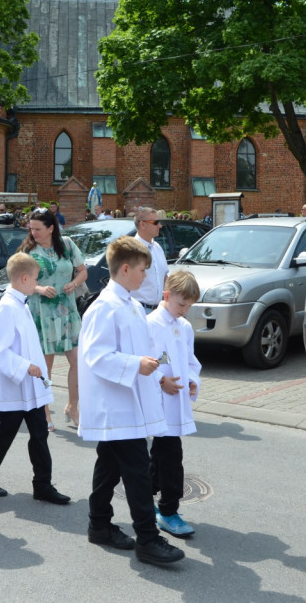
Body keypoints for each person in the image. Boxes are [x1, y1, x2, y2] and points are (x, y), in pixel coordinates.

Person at [78, 236, 184, 566]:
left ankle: (99, 525)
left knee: (108, 466)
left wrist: (157, 373)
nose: (146, 277)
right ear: (125, 269)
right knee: (137, 470)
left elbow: (141, 349)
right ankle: (148, 540)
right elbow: (96, 355)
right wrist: (135, 365)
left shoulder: (132, 304)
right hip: (116, 403)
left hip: (129, 398)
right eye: (142, 270)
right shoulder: (105, 307)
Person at [0, 252, 70, 504]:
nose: (37, 283)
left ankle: (42, 485)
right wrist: (26, 366)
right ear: (24, 278)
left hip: (29, 385)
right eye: (35, 278)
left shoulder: (20, 303)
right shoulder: (7, 308)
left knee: (39, 433)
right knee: (6, 430)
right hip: (17, 384)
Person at [20, 208, 87, 430]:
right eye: (31, 228)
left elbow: (82, 271)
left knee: (78, 362)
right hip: (42, 313)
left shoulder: (66, 244)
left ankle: (72, 406)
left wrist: (74, 283)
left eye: (38, 229)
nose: (33, 232)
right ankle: (45, 411)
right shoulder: (28, 250)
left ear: (51, 228)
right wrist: (38, 288)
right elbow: (21, 281)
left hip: (67, 311)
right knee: (45, 366)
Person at [147, 270, 202, 538]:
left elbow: (191, 361)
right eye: (181, 304)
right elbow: (142, 360)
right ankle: (168, 511)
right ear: (166, 296)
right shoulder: (151, 324)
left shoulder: (185, 326)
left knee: (161, 453)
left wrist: (192, 380)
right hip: (159, 400)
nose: (185, 310)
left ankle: (147, 498)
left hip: (177, 401)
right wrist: (160, 381)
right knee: (170, 456)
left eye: (189, 306)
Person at [131, 207, 168, 314]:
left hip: (158, 310)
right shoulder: (131, 249)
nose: (160, 226)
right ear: (142, 224)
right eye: (155, 222)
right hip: (138, 311)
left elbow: (165, 277)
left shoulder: (157, 247)